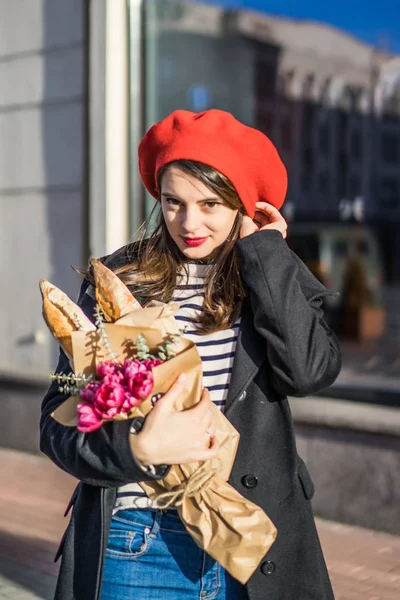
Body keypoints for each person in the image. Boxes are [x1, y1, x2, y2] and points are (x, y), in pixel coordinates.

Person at [40, 109, 341, 600]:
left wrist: (266, 254)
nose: (189, 222)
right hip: (137, 541)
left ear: (243, 206)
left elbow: (309, 372)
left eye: (210, 205)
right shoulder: (117, 283)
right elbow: (57, 424)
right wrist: (136, 449)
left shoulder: (265, 276)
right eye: (173, 202)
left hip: (251, 545)